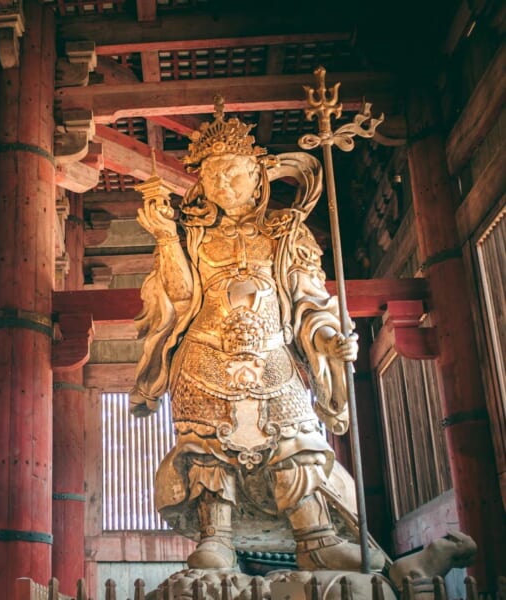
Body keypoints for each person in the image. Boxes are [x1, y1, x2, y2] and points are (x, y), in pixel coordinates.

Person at [131, 96, 383, 571]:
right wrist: (165, 236)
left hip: (273, 356)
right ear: (200, 181)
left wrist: (330, 338)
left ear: (258, 175)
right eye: (214, 174)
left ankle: (317, 536)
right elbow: (180, 296)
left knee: (298, 440)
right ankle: (216, 537)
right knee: (209, 447)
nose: (224, 182)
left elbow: (309, 299)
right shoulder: (192, 234)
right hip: (206, 357)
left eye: (235, 172)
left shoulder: (288, 232)